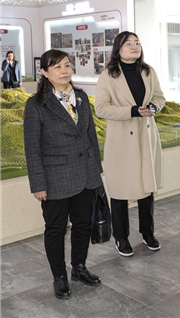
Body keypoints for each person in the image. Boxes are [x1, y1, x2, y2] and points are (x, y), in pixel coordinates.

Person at [23, 50, 103, 300]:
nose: (64, 71)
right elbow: (32, 148)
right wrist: (38, 183)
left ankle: (79, 267)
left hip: (85, 175)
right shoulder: (36, 104)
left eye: (67, 65)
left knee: (82, 225)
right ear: (44, 72)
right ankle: (59, 276)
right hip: (55, 178)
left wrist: (96, 173)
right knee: (56, 229)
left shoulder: (81, 97)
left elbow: (90, 136)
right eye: (56, 67)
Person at [95, 31, 166, 257]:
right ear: (118, 48)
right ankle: (121, 237)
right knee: (120, 190)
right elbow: (101, 108)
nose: (134, 47)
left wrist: (153, 107)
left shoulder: (148, 71)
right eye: (128, 44)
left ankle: (148, 233)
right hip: (121, 140)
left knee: (147, 187)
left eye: (137, 43)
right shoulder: (108, 75)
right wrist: (133, 111)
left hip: (146, 136)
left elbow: (160, 97)